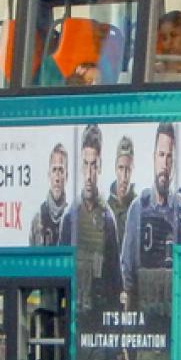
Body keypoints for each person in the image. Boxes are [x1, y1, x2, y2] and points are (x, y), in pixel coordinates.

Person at [119, 123, 181, 309]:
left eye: (169, 158)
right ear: (153, 158)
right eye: (161, 155)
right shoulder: (137, 209)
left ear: (174, 164)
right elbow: (127, 271)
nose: (164, 164)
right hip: (143, 318)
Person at [60, 124, 123, 311]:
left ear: (100, 166)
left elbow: (115, 283)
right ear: (80, 165)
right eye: (85, 165)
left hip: (100, 315)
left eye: (93, 166)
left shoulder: (108, 219)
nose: (88, 175)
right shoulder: (69, 218)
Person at [30, 142, 69, 246]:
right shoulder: (37, 220)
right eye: (54, 170)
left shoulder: (73, 219)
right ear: (49, 175)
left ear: (66, 176)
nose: (57, 177)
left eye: (61, 170)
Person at [107, 135, 137, 225]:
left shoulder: (139, 208)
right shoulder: (105, 209)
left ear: (132, 170)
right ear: (115, 168)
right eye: (121, 168)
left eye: (128, 169)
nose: (124, 177)